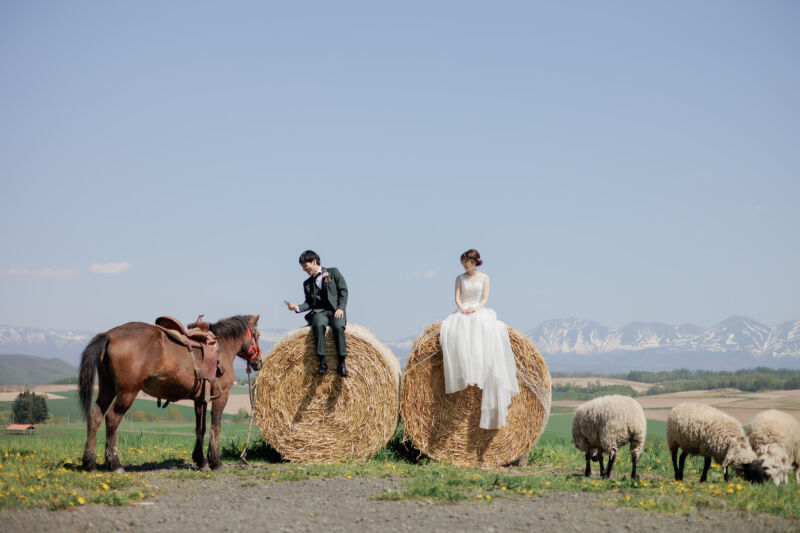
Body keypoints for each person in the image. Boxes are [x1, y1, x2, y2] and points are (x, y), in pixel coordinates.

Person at [439, 249, 519, 429]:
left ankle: (479, 368)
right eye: (462, 262)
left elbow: (484, 298)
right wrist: (463, 309)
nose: (463, 265)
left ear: (474, 261)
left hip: (478, 309)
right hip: (463, 310)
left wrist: (475, 309)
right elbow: (457, 298)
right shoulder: (459, 278)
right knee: (454, 328)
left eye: (466, 262)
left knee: (483, 326)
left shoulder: (485, 278)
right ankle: (465, 370)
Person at [287, 250, 349, 377]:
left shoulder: (333, 272)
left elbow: (343, 291)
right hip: (319, 312)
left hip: (335, 311)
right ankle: (322, 362)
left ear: (314, 261)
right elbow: (309, 303)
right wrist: (297, 307)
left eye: (305, 266)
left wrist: (340, 308)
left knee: (338, 327)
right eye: (303, 267)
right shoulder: (307, 284)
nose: (304, 270)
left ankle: (342, 362)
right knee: (318, 324)